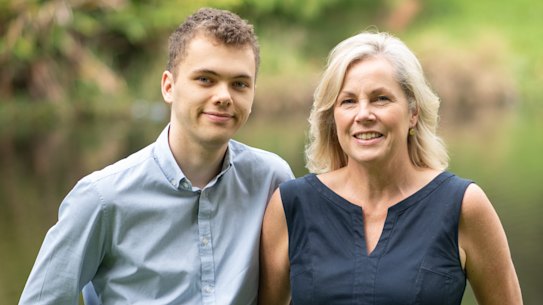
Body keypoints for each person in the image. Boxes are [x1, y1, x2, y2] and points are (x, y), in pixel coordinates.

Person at [19, 7, 293, 305]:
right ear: (168, 86)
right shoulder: (101, 198)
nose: (224, 96)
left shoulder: (272, 181)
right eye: (205, 79)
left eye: (239, 84)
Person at [259, 31, 523, 305]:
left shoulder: (463, 205)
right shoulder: (291, 205)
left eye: (381, 98)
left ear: (413, 113)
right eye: (348, 101)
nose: (363, 115)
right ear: (332, 117)